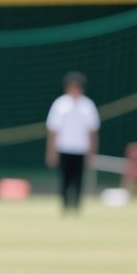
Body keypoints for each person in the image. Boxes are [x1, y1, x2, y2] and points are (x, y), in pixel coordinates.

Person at [45, 72, 99, 213]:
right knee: (65, 178)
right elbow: (53, 130)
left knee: (79, 179)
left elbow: (92, 131)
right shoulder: (60, 104)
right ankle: (64, 205)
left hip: (81, 149)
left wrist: (92, 151)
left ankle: (76, 206)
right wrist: (51, 150)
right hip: (64, 148)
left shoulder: (88, 105)